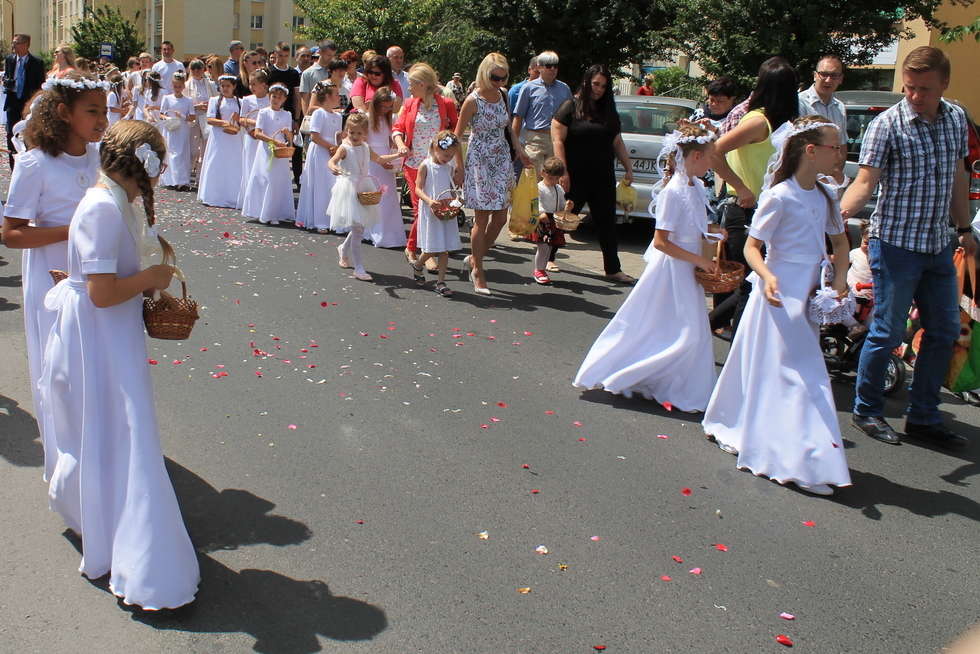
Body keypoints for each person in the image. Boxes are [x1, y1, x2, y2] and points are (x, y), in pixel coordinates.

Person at [38, 119, 200, 610]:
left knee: (114, 426)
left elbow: (107, 275)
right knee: (122, 427)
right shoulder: (102, 208)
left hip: (110, 330)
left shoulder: (117, 202)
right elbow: (102, 292)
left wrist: (149, 282)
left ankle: (104, 519)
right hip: (98, 333)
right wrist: (150, 275)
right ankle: (128, 542)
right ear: (143, 164)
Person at [703, 116, 852, 496]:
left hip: (807, 294)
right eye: (835, 146)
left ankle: (798, 450)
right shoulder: (779, 195)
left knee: (785, 370)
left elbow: (839, 244)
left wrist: (838, 280)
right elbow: (754, 247)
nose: (841, 153)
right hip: (778, 293)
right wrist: (768, 277)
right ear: (811, 151)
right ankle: (798, 458)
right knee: (799, 374)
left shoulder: (826, 195)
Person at [842, 46, 974, 448]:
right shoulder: (887, 124)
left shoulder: (955, 119)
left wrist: (965, 228)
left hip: (937, 243)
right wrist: (830, 220)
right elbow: (865, 182)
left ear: (944, 85)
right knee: (886, 331)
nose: (915, 96)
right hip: (895, 244)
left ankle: (924, 416)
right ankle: (867, 410)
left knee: (944, 330)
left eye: (925, 89)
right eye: (910, 88)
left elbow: (957, 177)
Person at [2, 72, 106, 482]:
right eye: (92, 111)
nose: (101, 120)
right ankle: (67, 456)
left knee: (97, 361)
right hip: (52, 276)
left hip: (99, 275)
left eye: (105, 110)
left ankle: (99, 442)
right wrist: (73, 228)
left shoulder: (104, 159)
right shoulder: (36, 164)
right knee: (61, 364)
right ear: (64, 113)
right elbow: (12, 234)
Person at [574, 123, 724, 410]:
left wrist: (714, 233)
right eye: (709, 157)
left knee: (678, 329)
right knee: (683, 330)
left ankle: (673, 382)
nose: (712, 162)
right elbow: (661, 242)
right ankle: (633, 374)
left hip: (688, 269)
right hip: (673, 270)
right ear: (694, 157)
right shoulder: (674, 191)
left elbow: (694, 226)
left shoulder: (697, 186)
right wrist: (701, 260)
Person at [708, 56, 799, 334]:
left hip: (764, 208)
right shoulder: (758, 121)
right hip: (745, 208)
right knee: (747, 283)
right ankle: (715, 331)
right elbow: (714, 151)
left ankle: (709, 327)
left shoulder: (774, 121)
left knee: (750, 283)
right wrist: (742, 187)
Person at [552, 64, 635, 284]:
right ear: (587, 82)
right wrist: (563, 170)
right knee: (564, 219)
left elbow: (617, 141)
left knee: (607, 222)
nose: (598, 89)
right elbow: (557, 140)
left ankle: (613, 269)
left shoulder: (608, 110)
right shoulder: (570, 106)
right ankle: (547, 258)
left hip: (603, 176)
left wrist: (628, 166)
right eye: (595, 84)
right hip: (575, 175)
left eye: (603, 86)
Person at [455, 52, 514, 295]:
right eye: (495, 77)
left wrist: (519, 151)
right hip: (480, 159)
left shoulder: (503, 95)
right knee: (481, 218)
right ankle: (478, 269)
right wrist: (459, 166)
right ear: (485, 74)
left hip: (501, 158)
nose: (499, 82)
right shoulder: (473, 100)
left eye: (503, 77)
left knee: (500, 218)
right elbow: (457, 136)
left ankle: (474, 257)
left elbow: (509, 127)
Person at [392, 62, 460, 264]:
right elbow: (398, 129)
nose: (409, 88)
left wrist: (458, 166)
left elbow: (455, 135)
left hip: (440, 165)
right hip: (415, 163)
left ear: (422, 84)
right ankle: (422, 249)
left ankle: (419, 248)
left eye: (412, 84)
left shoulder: (446, 104)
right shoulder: (410, 104)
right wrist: (401, 144)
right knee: (420, 207)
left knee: (435, 207)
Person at [327, 113, 402, 281]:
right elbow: (332, 160)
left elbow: (380, 159)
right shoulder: (345, 147)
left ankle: (343, 248)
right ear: (346, 131)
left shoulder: (366, 147)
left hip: (364, 187)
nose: (354, 136)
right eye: (351, 132)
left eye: (359, 133)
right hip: (348, 189)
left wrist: (398, 155)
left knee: (359, 226)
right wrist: (333, 167)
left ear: (365, 133)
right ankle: (359, 268)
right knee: (358, 228)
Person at [410, 130, 463, 297]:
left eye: (451, 156)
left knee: (445, 249)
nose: (448, 158)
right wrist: (429, 201)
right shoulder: (426, 165)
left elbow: (451, 189)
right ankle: (419, 264)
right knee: (432, 248)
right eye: (446, 155)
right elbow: (418, 189)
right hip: (431, 210)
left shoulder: (448, 167)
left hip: (445, 211)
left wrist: (457, 199)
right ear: (434, 148)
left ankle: (441, 282)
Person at [512, 50, 573, 176]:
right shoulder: (528, 88)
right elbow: (518, 118)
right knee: (533, 182)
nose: (553, 69)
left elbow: (571, 117)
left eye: (555, 66)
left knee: (555, 181)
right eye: (549, 66)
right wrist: (515, 146)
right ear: (539, 67)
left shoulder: (564, 89)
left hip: (557, 140)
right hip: (535, 140)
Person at [243, 83, 295, 225]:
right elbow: (258, 132)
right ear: (269, 97)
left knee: (278, 180)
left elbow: (290, 137)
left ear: (284, 99)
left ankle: (276, 212)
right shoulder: (264, 112)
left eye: (279, 97)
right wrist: (272, 141)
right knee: (266, 178)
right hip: (266, 150)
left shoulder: (287, 114)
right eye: (273, 96)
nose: (276, 99)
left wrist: (287, 134)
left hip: (280, 151)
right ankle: (263, 211)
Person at [295, 81, 342, 232]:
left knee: (332, 186)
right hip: (321, 152)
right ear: (327, 97)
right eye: (336, 94)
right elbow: (314, 136)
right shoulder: (319, 113)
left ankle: (332, 219)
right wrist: (330, 147)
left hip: (333, 153)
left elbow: (338, 136)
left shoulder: (338, 116)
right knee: (321, 186)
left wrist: (339, 148)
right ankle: (320, 220)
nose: (339, 97)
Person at [364, 87, 406, 249]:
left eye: (389, 107)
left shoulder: (390, 119)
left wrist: (395, 152)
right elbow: (365, 143)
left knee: (388, 196)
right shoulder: (368, 119)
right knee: (374, 195)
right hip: (373, 159)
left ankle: (390, 231)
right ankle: (371, 231)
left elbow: (390, 139)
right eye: (384, 107)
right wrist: (379, 160)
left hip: (387, 159)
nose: (387, 110)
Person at [197, 75, 243, 208]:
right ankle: (214, 195)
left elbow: (242, 119)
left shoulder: (239, 102)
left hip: (234, 138)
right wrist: (225, 122)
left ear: (234, 86)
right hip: (219, 138)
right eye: (223, 86)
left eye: (228, 86)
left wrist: (237, 119)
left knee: (233, 165)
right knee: (217, 163)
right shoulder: (214, 100)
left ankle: (232, 196)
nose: (225, 88)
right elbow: (210, 119)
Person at [4, 34, 45, 167]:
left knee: (29, 133)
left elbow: (40, 85)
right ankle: (13, 166)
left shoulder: (37, 62)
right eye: (13, 43)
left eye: (16, 43)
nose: (13, 46)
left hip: (28, 103)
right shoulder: (10, 60)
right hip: (12, 101)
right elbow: (6, 76)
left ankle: (29, 163)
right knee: (11, 133)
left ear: (26, 44)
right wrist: (7, 82)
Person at [529, 157, 572, 284]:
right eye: (551, 178)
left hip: (553, 219)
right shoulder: (538, 187)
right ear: (543, 173)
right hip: (542, 219)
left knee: (549, 247)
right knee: (543, 247)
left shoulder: (558, 189)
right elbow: (535, 203)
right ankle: (538, 270)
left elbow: (561, 206)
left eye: (556, 178)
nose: (554, 181)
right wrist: (541, 213)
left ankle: (542, 268)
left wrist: (567, 207)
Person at [267, 42, 303, 188]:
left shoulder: (294, 73)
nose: (283, 59)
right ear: (275, 55)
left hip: (288, 114)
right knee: (272, 143)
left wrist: (296, 118)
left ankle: (298, 177)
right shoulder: (269, 71)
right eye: (280, 55)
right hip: (272, 112)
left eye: (286, 56)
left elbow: (296, 96)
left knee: (293, 146)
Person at [238, 70, 272, 213]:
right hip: (251, 136)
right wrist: (254, 124)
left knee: (264, 168)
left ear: (264, 85)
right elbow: (241, 118)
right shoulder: (247, 99)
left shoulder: (271, 99)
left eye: (254, 84)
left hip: (265, 137)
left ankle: (264, 199)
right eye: (250, 84)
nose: (251, 87)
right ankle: (250, 200)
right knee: (250, 166)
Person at [798, 56, 847, 145]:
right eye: (824, 74)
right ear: (815, 75)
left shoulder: (840, 107)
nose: (828, 80)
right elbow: (796, 144)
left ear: (841, 79)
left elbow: (842, 144)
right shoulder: (800, 102)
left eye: (834, 76)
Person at [159, 71, 196, 190]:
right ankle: (171, 179)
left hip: (182, 128)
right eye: (175, 86)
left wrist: (183, 116)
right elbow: (161, 114)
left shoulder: (188, 100)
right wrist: (168, 118)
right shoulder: (167, 98)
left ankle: (182, 180)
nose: (177, 89)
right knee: (171, 152)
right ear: (172, 86)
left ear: (183, 86)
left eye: (179, 86)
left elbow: (192, 116)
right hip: (171, 128)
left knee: (182, 153)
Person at [185, 59, 217, 178]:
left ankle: (201, 177)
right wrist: (197, 106)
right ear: (190, 70)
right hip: (194, 119)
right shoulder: (187, 85)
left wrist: (209, 105)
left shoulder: (210, 84)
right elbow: (183, 104)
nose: (197, 71)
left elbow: (216, 100)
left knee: (205, 150)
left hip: (206, 118)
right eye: (194, 68)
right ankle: (187, 175)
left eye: (199, 68)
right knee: (193, 150)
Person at [300, 40, 336, 112]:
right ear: (320, 52)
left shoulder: (335, 71)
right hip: (316, 115)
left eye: (333, 55)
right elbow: (305, 100)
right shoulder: (308, 73)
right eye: (328, 55)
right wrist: (307, 118)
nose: (331, 58)